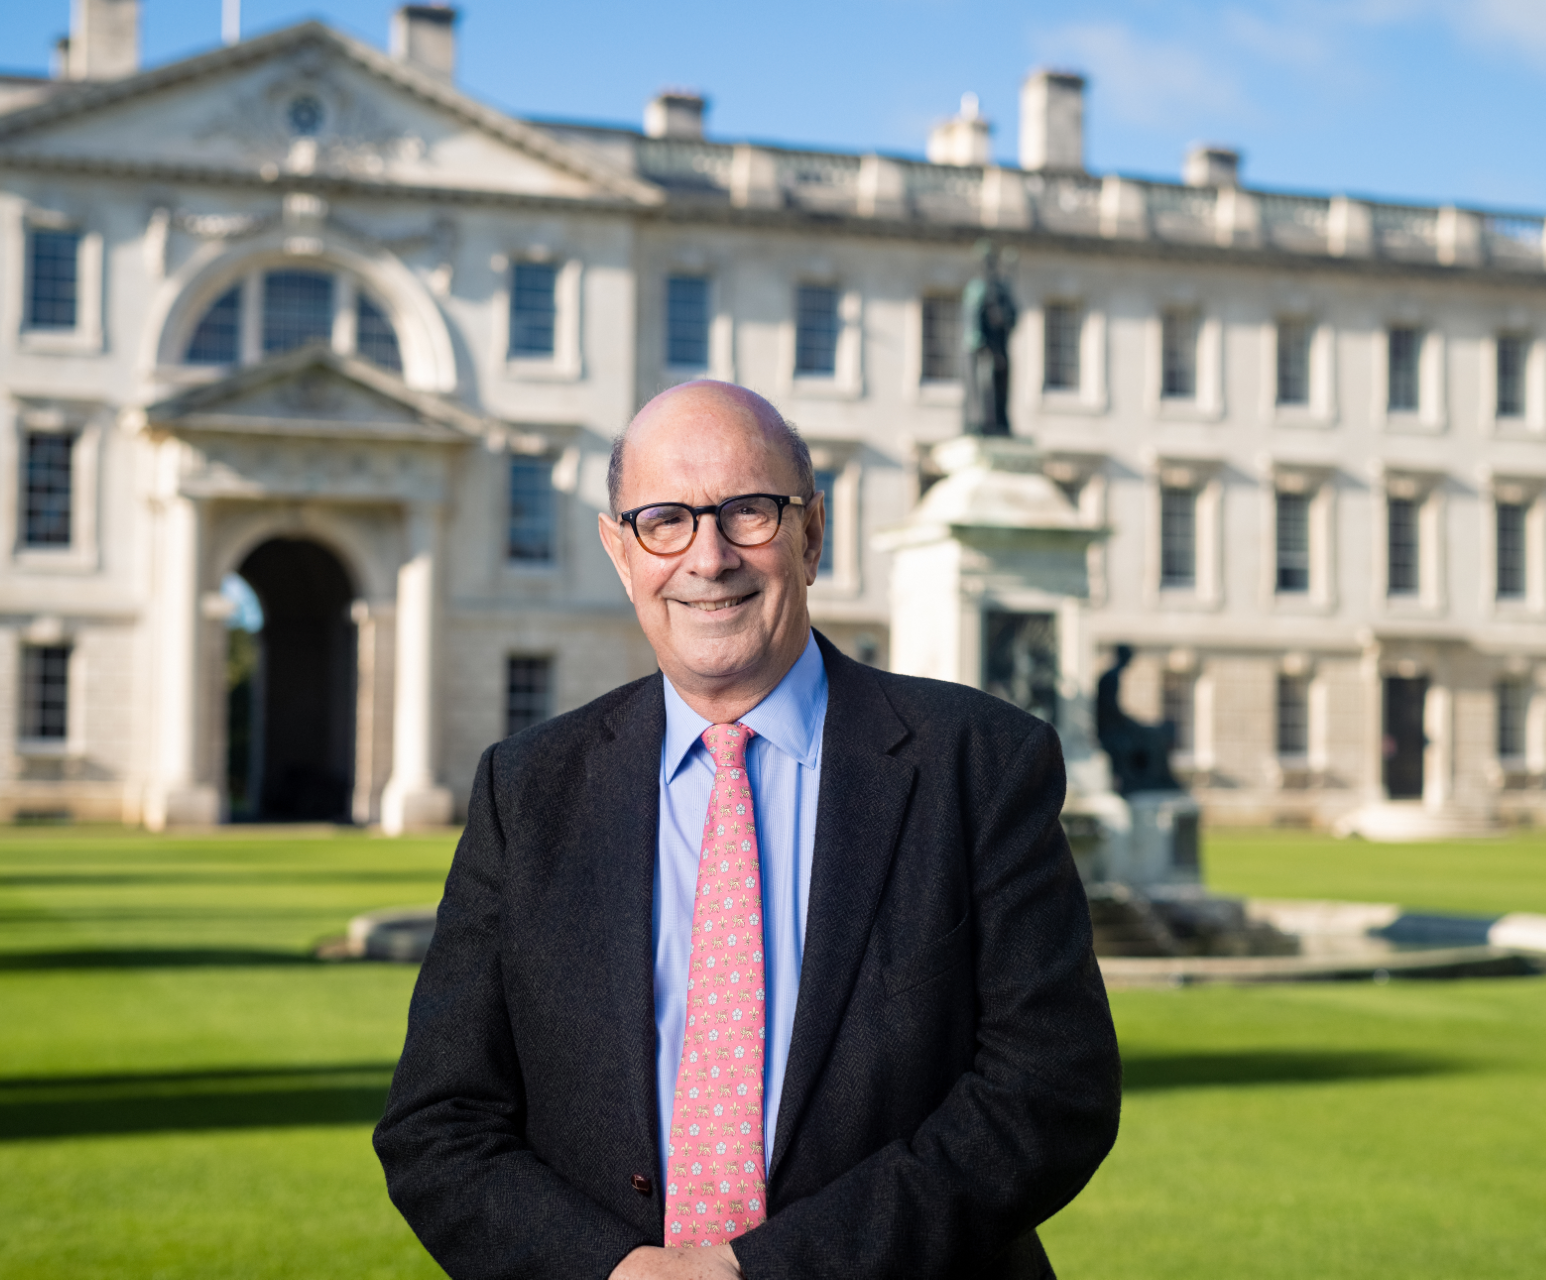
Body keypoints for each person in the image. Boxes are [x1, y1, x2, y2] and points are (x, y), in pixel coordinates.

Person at [374, 380, 1120, 1279]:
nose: (709, 555)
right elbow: (438, 1121)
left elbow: (1049, 1089)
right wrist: (609, 1270)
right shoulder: (528, 790)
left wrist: (764, 1271)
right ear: (622, 552)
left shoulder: (981, 762)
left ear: (812, 535)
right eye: (665, 521)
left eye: (749, 513)